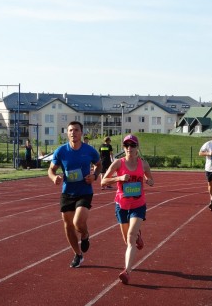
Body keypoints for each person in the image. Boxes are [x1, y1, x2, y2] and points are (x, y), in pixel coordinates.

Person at [101, 134, 154, 284]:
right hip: (122, 205)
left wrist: (149, 181)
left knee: (130, 237)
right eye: (126, 145)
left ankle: (127, 271)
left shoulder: (143, 164)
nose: (129, 148)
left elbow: (151, 179)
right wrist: (119, 178)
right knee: (127, 240)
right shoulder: (118, 163)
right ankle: (138, 236)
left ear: (137, 147)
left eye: (132, 145)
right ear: (123, 148)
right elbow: (103, 182)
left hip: (138, 205)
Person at [48, 121, 102, 268]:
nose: (73, 133)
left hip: (84, 191)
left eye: (76, 130)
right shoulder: (61, 151)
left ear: (81, 133)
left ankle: (85, 234)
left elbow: (99, 164)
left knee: (78, 223)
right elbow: (51, 169)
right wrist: (54, 178)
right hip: (67, 192)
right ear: (67, 133)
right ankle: (78, 254)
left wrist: (94, 176)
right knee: (68, 225)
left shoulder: (89, 150)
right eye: (71, 130)